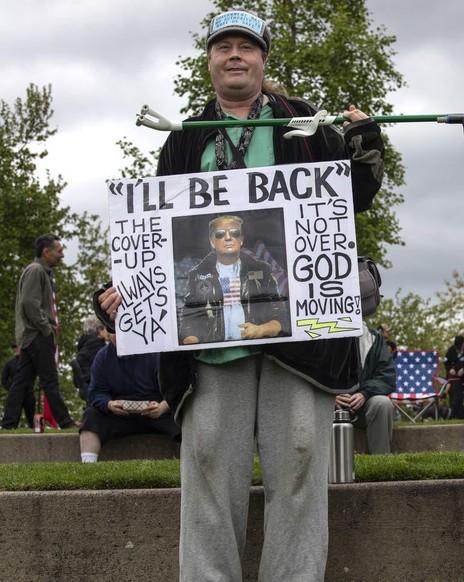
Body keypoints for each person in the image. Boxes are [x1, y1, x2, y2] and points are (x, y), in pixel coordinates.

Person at [96, 9, 384, 581]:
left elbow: (350, 201)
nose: (234, 55)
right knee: (205, 471)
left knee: (301, 469)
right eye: (223, 46)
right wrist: (129, 289)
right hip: (208, 343)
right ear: (208, 61)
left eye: (245, 47)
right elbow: (158, 234)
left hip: (299, 339)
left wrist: (364, 145)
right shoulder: (182, 140)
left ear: (262, 60)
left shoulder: (307, 124)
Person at [1, 234, 76, 429]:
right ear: (46, 251)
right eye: (59, 251)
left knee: (21, 382)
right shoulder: (36, 271)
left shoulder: (38, 271)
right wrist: (46, 328)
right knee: (50, 381)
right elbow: (28, 303)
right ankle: (66, 423)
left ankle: (8, 424)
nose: (62, 255)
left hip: (30, 336)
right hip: (38, 336)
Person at [179, 214, 289, 345]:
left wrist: (262, 330)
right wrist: (192, 342)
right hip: (213, 356)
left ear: (241, 240)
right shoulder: (197, 275)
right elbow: (188, 322)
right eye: (220, 234)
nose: (228, 237)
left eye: (235, 233)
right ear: (212, 242)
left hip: (255, 351)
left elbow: (281, 317)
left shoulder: (262, 270)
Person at [79, 331, 180, 463]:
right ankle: (88, 467)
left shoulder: (155, 353)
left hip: (157, 414)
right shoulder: (102, 356)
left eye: (120, 329)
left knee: (184, 415)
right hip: (119, 416)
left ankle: (190, 466)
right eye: (112, 331)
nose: (117, 335)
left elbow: (175, 388)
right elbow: (95, 392)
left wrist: (162, 407)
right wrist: (109, 404)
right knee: (90, 415)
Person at [335, 326, 395, 454]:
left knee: (382, 403)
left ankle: (380, 463)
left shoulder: (374, 337)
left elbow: (386, 374)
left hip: (363, 405)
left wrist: (364, 393)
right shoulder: (318, 331)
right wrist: (329, 396)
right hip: (327, 405)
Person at [72, 315, 107, 401]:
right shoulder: (98, 349)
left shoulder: (83, 349)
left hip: (90, 390)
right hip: (100, 391)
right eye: (106, 328)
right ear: (100, 330)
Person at [1, 344, 34, 428]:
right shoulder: (9, 363)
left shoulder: (29, 362)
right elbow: (4, 379)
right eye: (14, 348)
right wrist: (11, 389)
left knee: (31, 413)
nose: (16, 349)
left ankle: (34, 428)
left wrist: (30, 384)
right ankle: (11, 427)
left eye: (18, 347)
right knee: (14, 413)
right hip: (15, 393)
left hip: (28, 391)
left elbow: (34, 374)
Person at [444, 335, 464, 419]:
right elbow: (446, 362)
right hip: (456, 378)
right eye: (457, 346)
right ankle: (453, 416)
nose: (458, 348)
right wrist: (450, 369)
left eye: (460, 346)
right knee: (456, 398)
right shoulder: (452, 350)